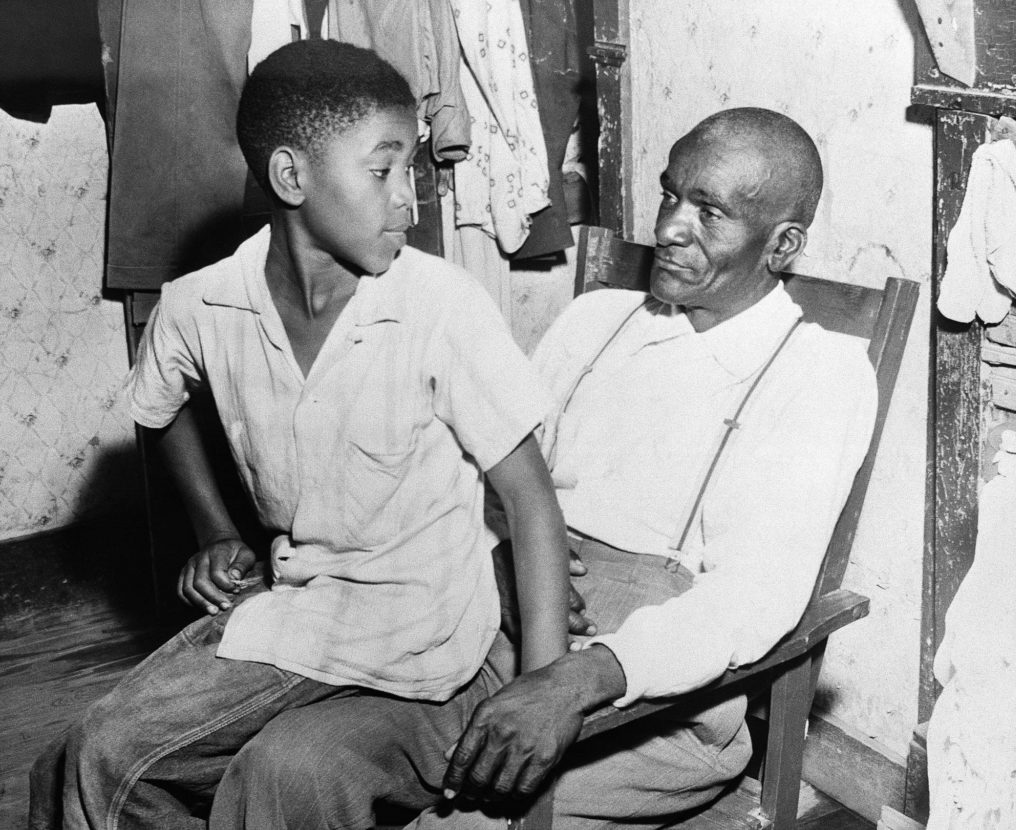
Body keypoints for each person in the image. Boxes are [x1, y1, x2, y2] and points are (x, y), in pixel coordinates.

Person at [208, 107, 879, 829]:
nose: (671, 227)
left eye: (709, 212)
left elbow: (755, 599)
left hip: (654, 701)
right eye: (670, 193)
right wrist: (495, 563)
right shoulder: (595, 322)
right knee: (289, 767)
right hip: (492, 634)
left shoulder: (819, 373)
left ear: (782, 245)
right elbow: (478, 478)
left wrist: (575, 680)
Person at [28, 40, 569, 830]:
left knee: (110, 754)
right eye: (382, 172)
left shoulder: (439, 306)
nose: (406, 204)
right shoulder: (199, 305)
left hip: (415, 621)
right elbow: (159, 408)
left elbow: (530, 505)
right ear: (291, 176)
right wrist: (213, 529)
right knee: (82, 756)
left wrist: (544, 696)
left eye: (411, 172)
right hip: (297, 603)